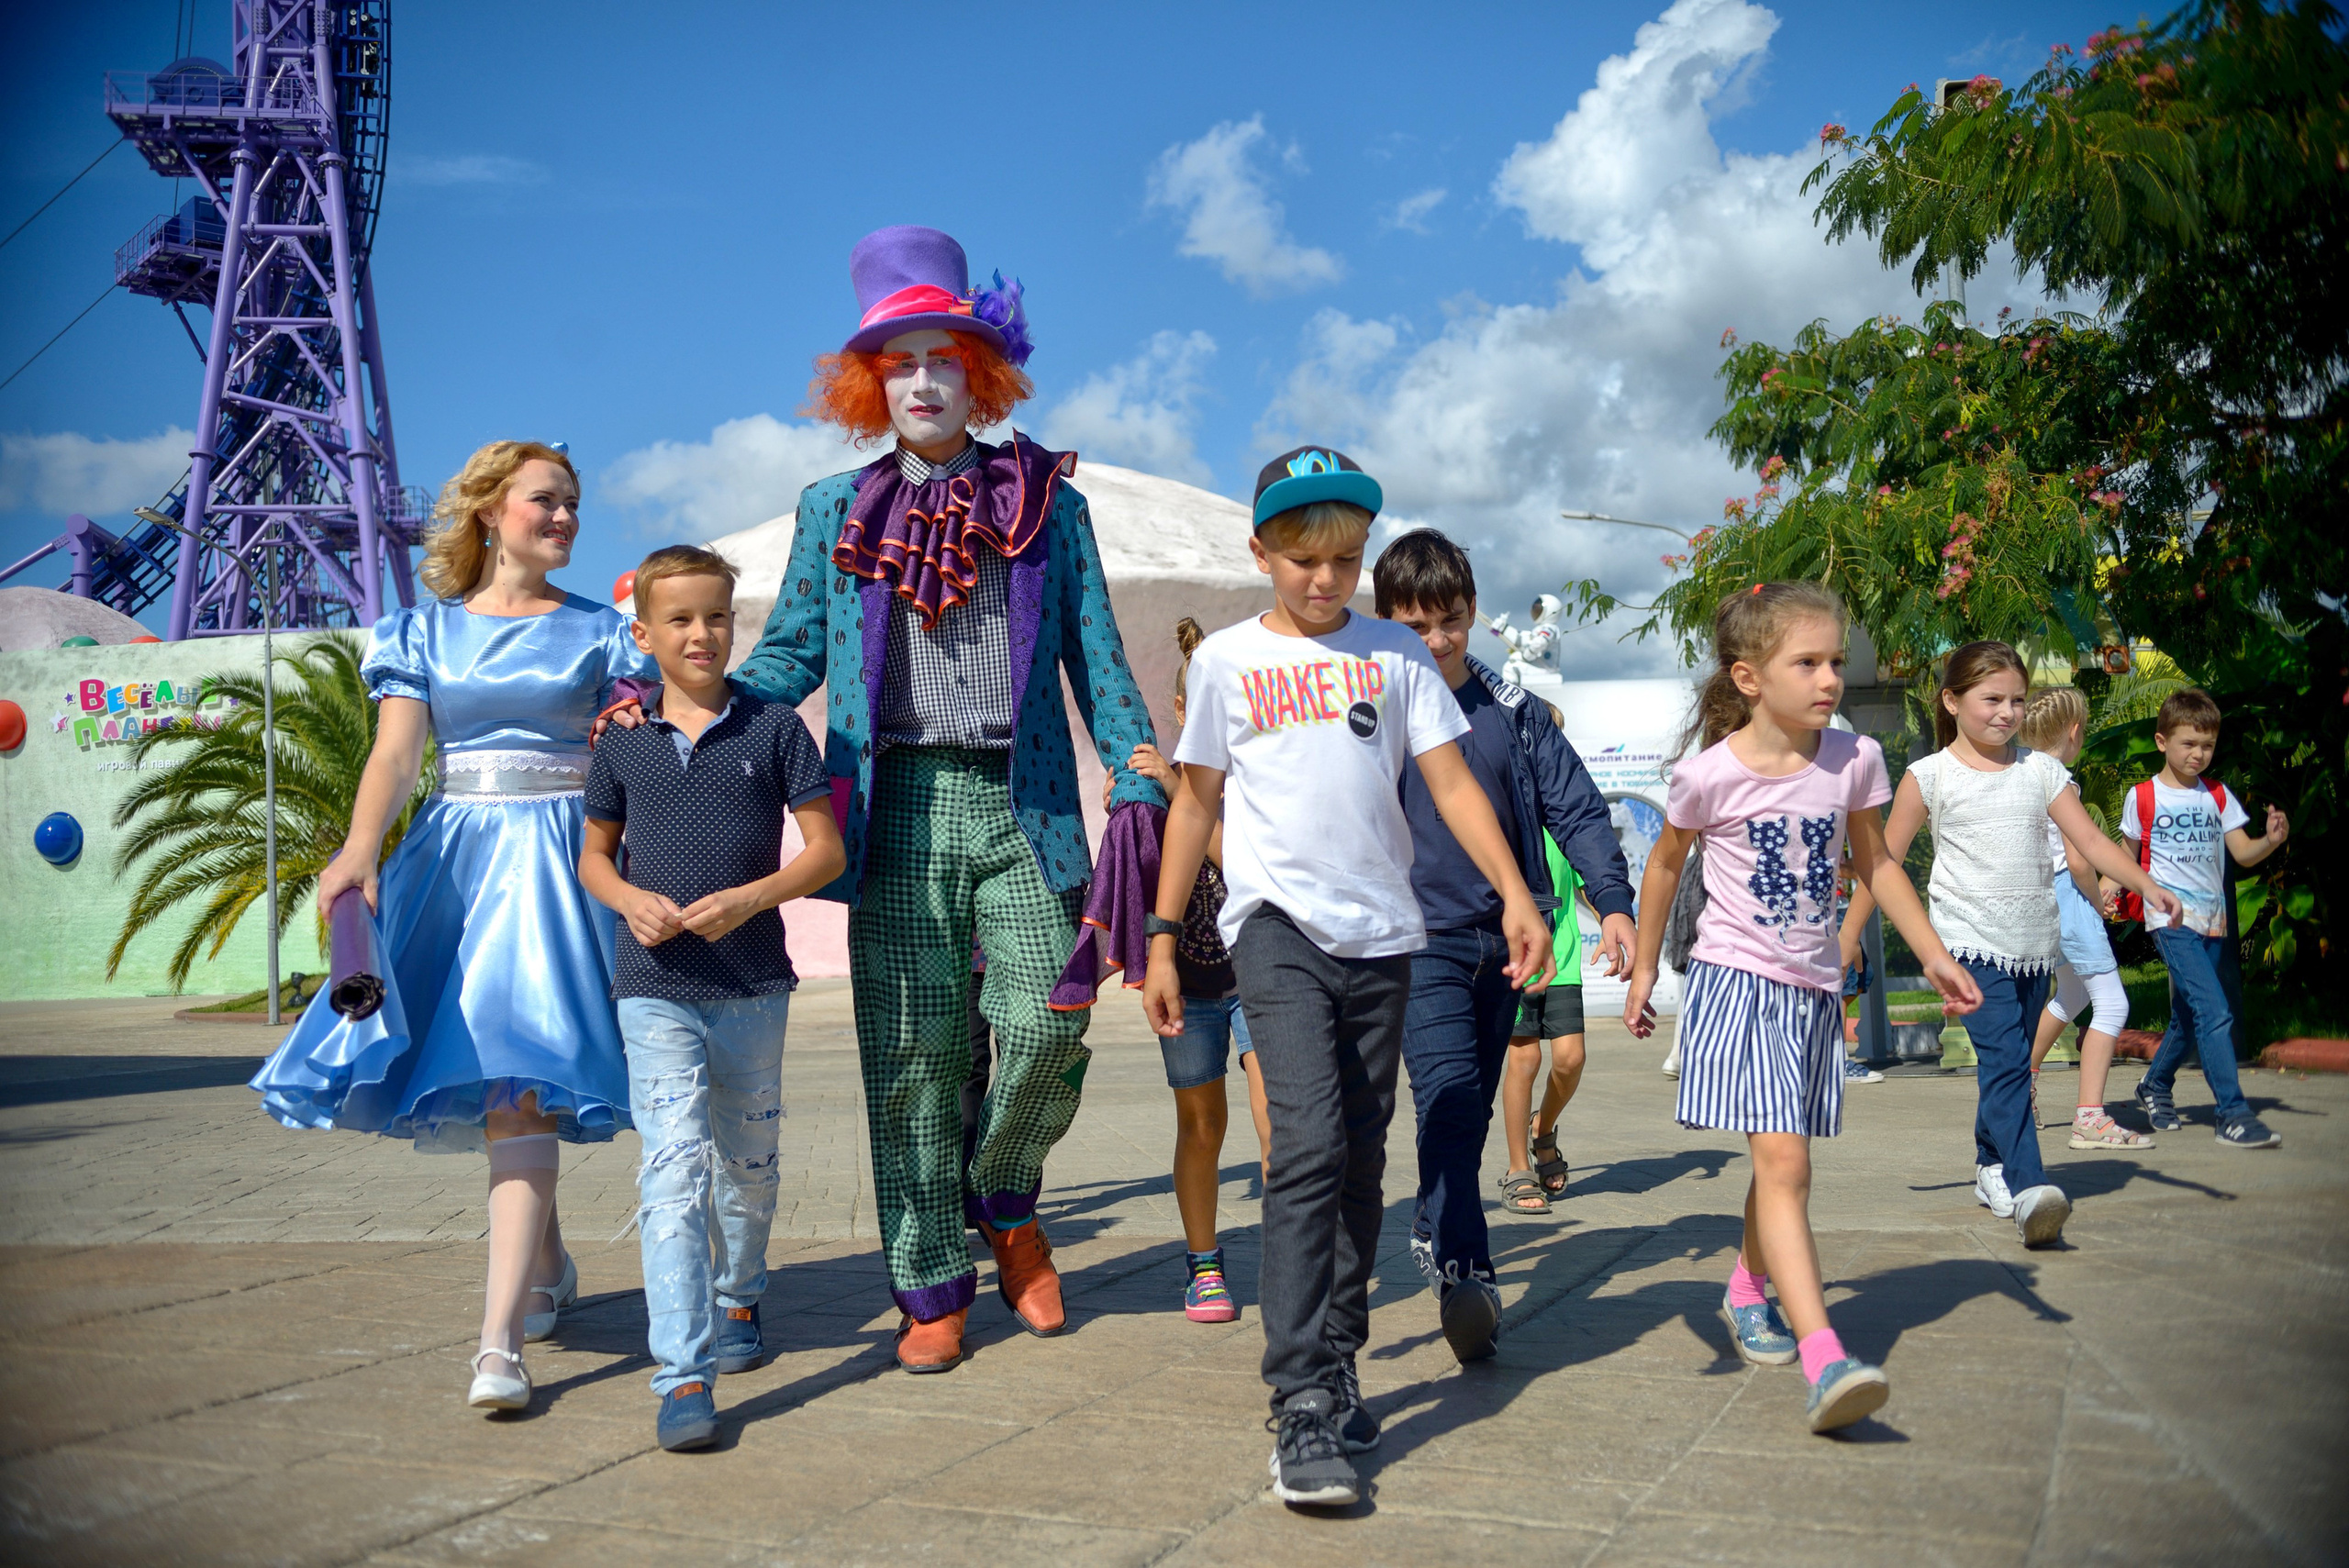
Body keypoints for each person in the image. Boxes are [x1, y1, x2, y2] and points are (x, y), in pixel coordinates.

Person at [675, 227, 1166, 1373]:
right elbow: (791, 651)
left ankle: (1004, 1192)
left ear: (980, 374)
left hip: (1022, 797)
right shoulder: (831, 509)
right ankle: (930, 1281)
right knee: (907, 1052)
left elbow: (1097, 659)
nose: (925, 381)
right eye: (900, 363)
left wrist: (1136, 752)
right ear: (870, 383)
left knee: (1050, 1017)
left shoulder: (1048, 503)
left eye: (946, 357)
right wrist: (693, 707)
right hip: (889, 801)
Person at [1143, 447, 1549, 1507]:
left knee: (1367, 1160)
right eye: (1304, 558)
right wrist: (1152, 938)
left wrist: (1516, 890)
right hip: (1274, 927)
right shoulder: (1229, 661)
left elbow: (1452, 784)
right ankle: (1299, 1401)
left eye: (1344, 559)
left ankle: (1338, 1356)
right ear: (1262, 552)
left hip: (1385, 934)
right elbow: (1192, 804)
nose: (1325, 579)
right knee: (1310, 1141)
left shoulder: (1393, 655)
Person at [251, 440, 657, 1412]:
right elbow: (396, 756)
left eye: (572, 502)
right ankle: (546, 1265)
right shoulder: (421, 632)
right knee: (500, 1089)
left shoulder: (606, 634)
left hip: (567, 866)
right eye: (543, 501)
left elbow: (643, 743)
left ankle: (497, 1343)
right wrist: (357, 849)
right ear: (489, 511)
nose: (562, 517)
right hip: (462, 862)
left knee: (523, 1084)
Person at [1624, 582, 1979, 1434]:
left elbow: (1878, 863)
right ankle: (1826, 1357)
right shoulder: (1706, 774)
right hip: (1737, 982)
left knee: (1785, 1164)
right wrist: (1642, 968)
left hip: (1815, 987)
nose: (1830, 678)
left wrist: (1932, 953)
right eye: (1807, 662)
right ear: (1748, 677)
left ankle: (1748, 1286)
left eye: (1834, 660)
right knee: (1786, 1167)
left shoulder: (1854, 759)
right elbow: (1666, 866)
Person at [578, 546, 844, 1451]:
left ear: (736, 623)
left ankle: (741, 1295)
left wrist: (752, 896)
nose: (701, 633)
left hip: (753, 988)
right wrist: (626, 899)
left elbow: (824, 851)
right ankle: (682, 1370)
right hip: (651, 990)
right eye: (681, 619)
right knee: (673, 1167)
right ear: (644, 634)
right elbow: (593, 858)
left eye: (717, 616)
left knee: (749, 1167)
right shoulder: (619, 741)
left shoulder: (773, 728)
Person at [1372, 529, 1634, 1348]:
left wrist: (1613, 901)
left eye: (1450, 620)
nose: (1437, 640)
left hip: (1511, 941)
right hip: (1419, 941)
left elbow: (1578, 807)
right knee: (1446, 1096)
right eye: (1415, 626)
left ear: (1473, 613)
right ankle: (1467, 1272)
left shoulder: (1513, 714)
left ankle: (1433, 1215)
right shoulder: (1365, 715)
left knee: (1473, 1104)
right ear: (1384, 623)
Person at [1844, 644, 2179, 1249]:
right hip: (1968, 946)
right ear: (1952, 701)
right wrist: (1847, 939)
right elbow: (1881, 862)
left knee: (2007, 1061)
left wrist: (2146, 884)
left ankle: (1989, 1163)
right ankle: (2029, 1187)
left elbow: (2095, 844)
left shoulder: (2042, 771)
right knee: (2005, 1063)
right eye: (1992, 699)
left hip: (2033, 947)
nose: (2007, 712)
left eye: (2017, 700)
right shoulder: (1931, 776)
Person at [1119, 617, 1273, 1322]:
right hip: (1186, 978)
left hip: (1262, 974)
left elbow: (1239, 864)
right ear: (1182, 710)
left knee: (1281, 1121)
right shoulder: (1155, 782)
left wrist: (1184, 788)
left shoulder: (1256, 783)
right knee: (1202, 1124)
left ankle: (1293, 1254)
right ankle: (1204, 1263)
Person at [2117, 688, 2289, 1148]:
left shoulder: (2216, 794)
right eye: (2188, 744)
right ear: (2162, 741)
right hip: (2170, 922)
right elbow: (2124, 860)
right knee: (2215, 1011)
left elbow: (2244, 854)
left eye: (2207, 745)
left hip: (2214, 921)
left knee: (2188, 1019)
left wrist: (2270, 841)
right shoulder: (2143, 796)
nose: (2198, 754)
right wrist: (2103, 897)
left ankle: (2154, 1085)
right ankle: (2232, 1114)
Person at [2014, 687, 2149, 1149]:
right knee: (2112, 1004)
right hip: (2070, 898)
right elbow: (2079, 860)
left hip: (2040, 903)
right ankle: (2090, 1117)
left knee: (2070, 995)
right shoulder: (2061, 783)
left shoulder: (2022, 775)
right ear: (2074, 733)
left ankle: (2022, 1083)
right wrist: (2096, 902)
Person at [1497, 710, 1592, 1214]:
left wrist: (1617, 922)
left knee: (1570, 1058)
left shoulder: (1565, 808)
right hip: (1516, 951)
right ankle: (1518, 1167)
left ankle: (1544, 1127)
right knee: (1526, 1057)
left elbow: (1586, 876)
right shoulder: (1501, 801)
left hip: (1565, 952)